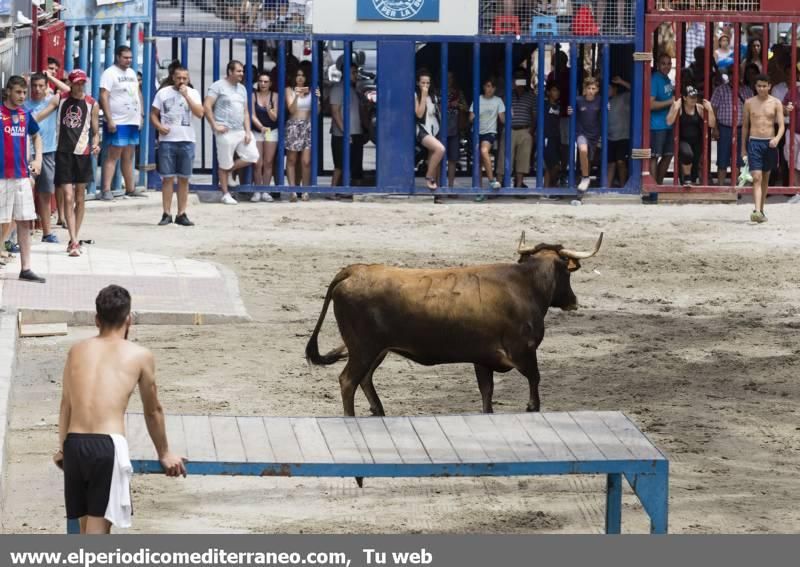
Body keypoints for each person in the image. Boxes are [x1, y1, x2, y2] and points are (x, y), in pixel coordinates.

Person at [54, 285, 186, 535]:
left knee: (83, 530)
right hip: (107, 447)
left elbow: (66, 405)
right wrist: (165, 452)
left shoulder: (76, 351)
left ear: (96, 319)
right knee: (97, 534)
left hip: (74, 444)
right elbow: (153, 410)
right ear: (129, 319)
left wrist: (63, 449)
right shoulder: (140, 355)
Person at [35, 70, 100, 258]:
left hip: (83, 154)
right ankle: (73, 240)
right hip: (63, 154)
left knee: (80, 198)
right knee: (69, 197)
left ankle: (75, 237)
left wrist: (96, 144)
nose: (80, 86)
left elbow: (95, 131)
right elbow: (40, 115)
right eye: (77, 83)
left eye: (82, 83)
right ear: (71, 84)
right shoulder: (60, 99)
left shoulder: (91, 103)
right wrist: (23, 122)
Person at [0, 76, 45, 282]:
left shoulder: (25, 114)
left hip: (21, 176)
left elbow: (37, 136)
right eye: (18, 92)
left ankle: (26, 268)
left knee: (25, 221)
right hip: (2, 177)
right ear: (8, 91)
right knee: (2, 222)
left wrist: (38, 159)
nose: (22, 96)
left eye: (24, 93)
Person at [151, 65, 203, 226]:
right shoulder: (163, 93)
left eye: (184, 78)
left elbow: (200, 113)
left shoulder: (193, 93)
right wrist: (159, 127)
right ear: (173, 77)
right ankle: (166, 213)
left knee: (184, 178)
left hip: (187, 140)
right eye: (178, 78)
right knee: (167, 178)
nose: (181, 81)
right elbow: (153, 114)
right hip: (167, 141)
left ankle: (182, 213)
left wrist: (187, 96)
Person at [203, 60, 259, 205]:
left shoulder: (242, 89)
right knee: (224, 161)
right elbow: (207, 105)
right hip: (225, 131)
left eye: (242, 71)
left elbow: (246, 112)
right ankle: (225, 194)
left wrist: (247, 131)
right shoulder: (218, 86)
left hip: (240, 130)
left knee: (253, 155)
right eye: (239, 71)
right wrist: (215, 125)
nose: (242, 74)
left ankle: (228, 172)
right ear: (230, 72)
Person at [99, 45, 144, 201]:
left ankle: (130, 188)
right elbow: (104, 95)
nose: (128, 60)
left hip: (132, 120)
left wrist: (141, 115)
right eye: (125, 57)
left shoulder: (132, 73)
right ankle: (106, 189)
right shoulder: (109, 73)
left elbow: (138, 93)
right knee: (113, 155)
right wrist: (109, 118)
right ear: (118, 57)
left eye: (130, 58)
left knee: (129, 154)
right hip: (118, 121)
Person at [24, 73, 62, 244]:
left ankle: (47, 232)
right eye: (34, 85)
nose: (37, 89)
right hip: (27, 154)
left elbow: (67, 90)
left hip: (47, 152)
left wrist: (51, 77)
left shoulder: (51, 101)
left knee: (45, 194)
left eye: (41, 85)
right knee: (24, 194)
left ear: (46, 86)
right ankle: (23, 233)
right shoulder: (24, 104)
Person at [742, 74, 785, 223]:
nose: (761, 88)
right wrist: (743, 148)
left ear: (769, 86)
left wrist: (777, 139)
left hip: (769, 143)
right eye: (759, 86)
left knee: (765, 178)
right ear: (755, 87)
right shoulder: (748, 103)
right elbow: (745, 127)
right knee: (756, 177)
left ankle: (761, 209)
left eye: (764, 86)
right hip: (754, 142)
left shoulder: (776, 103)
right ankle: (756, 210)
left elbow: (781, 125)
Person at [666, 85, 717, 188]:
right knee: (687, 154)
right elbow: (669, 121)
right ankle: (687, 177)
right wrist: (675, 108)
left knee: (694, 163)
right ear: (684, 97)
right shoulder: (679, 108)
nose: (694, 99)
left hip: (697, 141)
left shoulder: (699, 108)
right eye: (691, 97)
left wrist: (710, 110)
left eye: (695, 97)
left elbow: (711, 124)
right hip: (683, 139)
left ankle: (689, 181)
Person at [710, 71, 753, 186]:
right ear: (729, 76)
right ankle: (720, 186)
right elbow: (713, 109)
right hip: (725, 128)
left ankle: (736, 186)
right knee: (722, 159)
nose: (737, 76)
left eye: (739, 74)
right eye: (734, 74)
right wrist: (715, 128)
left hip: (741, 129)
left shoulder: (747, 90)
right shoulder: (720, 90)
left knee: (739, 160)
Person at [497, 68, 535, 189]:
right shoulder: (507, 95)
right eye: (517, 78)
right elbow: (500, 113)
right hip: (509, 129)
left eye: (522, 78)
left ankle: (519, 185)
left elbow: (535, 115)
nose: (519, 80)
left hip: (525, 130)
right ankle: (499, 183)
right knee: (503, 158)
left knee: (523, 159)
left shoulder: (531, 96)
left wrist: (531, 131)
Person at [285, 63, 318, 202]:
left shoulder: (312, 90)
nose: (300, 78)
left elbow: (317, 112)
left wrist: (318, 99)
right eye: (298, 75)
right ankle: (292, 190)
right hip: (293, 125)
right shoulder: (289, 90)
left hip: (307, 125)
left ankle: (305, 190)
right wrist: (298, 95)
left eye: (303, 75)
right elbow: (291, 110)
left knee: (306, 161)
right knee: (292, 159)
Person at [329, 61, 365, 189]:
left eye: (356, 72)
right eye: (353, 72)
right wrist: (345, 132)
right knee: (340, 165)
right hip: (342, 134)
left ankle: (348, 191)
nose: (356, 75)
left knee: (354, 165)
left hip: (355, 133)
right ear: (345, 73)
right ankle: (333, 190)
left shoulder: (353, 89)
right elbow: (335, 112)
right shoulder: (338, 89)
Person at [469, 77, 506, 199]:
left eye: (492, 86)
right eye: (487, 86)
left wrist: (509, 114)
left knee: (484, 151)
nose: (489, 89)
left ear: (495, 89)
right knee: (478, 163)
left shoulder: (498, 101)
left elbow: (502, 119)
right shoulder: (477, 99)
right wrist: (473, 116)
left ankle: (491, 180)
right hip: (476, 133)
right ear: (484, 87)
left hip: (490, 132)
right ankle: (479, 191)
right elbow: (470, 118)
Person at [568, 77, 602, 192]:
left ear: (597, 89)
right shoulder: (578, 100)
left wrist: (607, 107)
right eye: (589, 88)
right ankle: (585, 178)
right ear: (584, 89)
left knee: (590, 159)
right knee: (582, 150)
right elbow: (570, 111)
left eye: (593, 88)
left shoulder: (600, 100)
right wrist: (570, 111)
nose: (591, 91)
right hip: (581, 133)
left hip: (595, 134)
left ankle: (584, 175)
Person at [414, 69, 445, 191]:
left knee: (434, 158)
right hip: (422, 130)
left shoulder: (434, 96)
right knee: (440, 149)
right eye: (423, 83)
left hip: (434, 129)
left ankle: (436, 193)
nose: (425, 85)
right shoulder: (416, 95)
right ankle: (428, 177)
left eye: (428, 83)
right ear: (418, 83)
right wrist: (423, 96)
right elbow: (419, 114)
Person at [250, 71, 278, 202]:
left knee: (268, 162)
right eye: (260, 81)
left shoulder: (275, 96)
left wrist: (268, 110)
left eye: (266, 81)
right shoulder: (253, 95)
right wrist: (261, 127)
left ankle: (266, 190)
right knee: (257, 162)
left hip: (271, 131)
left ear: (270, 83)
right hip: (257, 131)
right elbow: (252, 115)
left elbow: (275, 117)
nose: (263, 84)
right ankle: (257, 190)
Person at [650, 53, 675, 185]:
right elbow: (650, 104)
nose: (667, 66)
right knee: (654, 156)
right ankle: (653, 187)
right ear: (658, 65)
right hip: (656, 125)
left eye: (669, 63)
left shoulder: (667, 79)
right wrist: (671, 102)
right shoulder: (655, 79)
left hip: (668, 124)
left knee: (668, 154)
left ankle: (658, 184)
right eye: (663, 63)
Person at [444, 71, 468, 189]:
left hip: (454, 129)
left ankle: (451, 186)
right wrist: (448, 105)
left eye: (451, 77)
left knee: (453, 159)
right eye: (447, 77)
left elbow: (466, 108)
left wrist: (458, 105)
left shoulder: (458, 93)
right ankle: (440, 186)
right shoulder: (438, 92)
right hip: (440, 128)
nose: (449, 80)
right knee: (440, 158)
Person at [607, 76, 632, 188]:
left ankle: (623, 186)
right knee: (611, 163)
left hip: (623, 137)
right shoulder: (602, 101)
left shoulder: (623, 98)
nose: (607, 91)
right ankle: (607, 187)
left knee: (621, 162)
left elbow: (636, 90)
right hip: (609, 137)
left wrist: (622, 81)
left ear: (615, 89)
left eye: (610, 88)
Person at [542, 81, 562, 188]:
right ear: (548, 92)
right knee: (553, 165)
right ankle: (553, 187)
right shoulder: (544, 105)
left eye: (558, 90)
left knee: (550, 166)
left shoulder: (559, 106)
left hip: (556, 138)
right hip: (546, 137)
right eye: (554, 90)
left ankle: (547, 190)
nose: (557, 92)